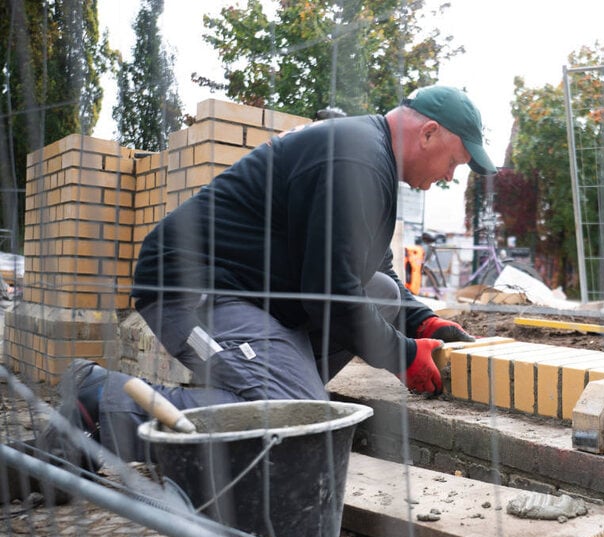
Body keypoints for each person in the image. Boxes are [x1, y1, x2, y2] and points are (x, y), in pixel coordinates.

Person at [49, 85, 495, 465]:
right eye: (453, 162)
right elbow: (331, 295)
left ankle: (260, 385)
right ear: (428, 133)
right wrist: (402, 355)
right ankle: (100, 401)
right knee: (298, 423)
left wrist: (420, 320)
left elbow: (372, 273)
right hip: (195, 290)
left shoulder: (370, 158)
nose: (449, 175)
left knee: (378, 293)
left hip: (250, 297)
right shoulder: (358, 158)